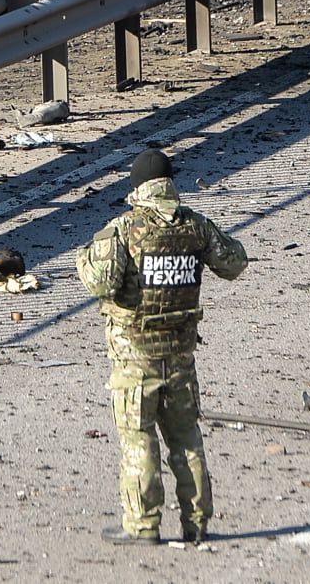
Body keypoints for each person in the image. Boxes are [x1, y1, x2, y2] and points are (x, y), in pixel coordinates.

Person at [76, 148, 248, 546]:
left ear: (136, 187)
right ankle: (196, 524)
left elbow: (100, 283)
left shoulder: (123, 229)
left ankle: (142, 525)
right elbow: (235, 262)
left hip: (135, 359)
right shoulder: (197, 228)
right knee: (186, 439)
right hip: (181, 354)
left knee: (139, 439)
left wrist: (84, 258)